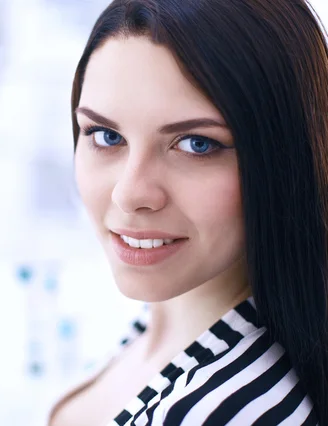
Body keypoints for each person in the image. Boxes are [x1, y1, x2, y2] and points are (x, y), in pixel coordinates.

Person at [47, 0, 328, 425]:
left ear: (285, 156)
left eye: (197, 144)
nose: (130, 193)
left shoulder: (217, 411)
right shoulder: (175, 322)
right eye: (105, 135)